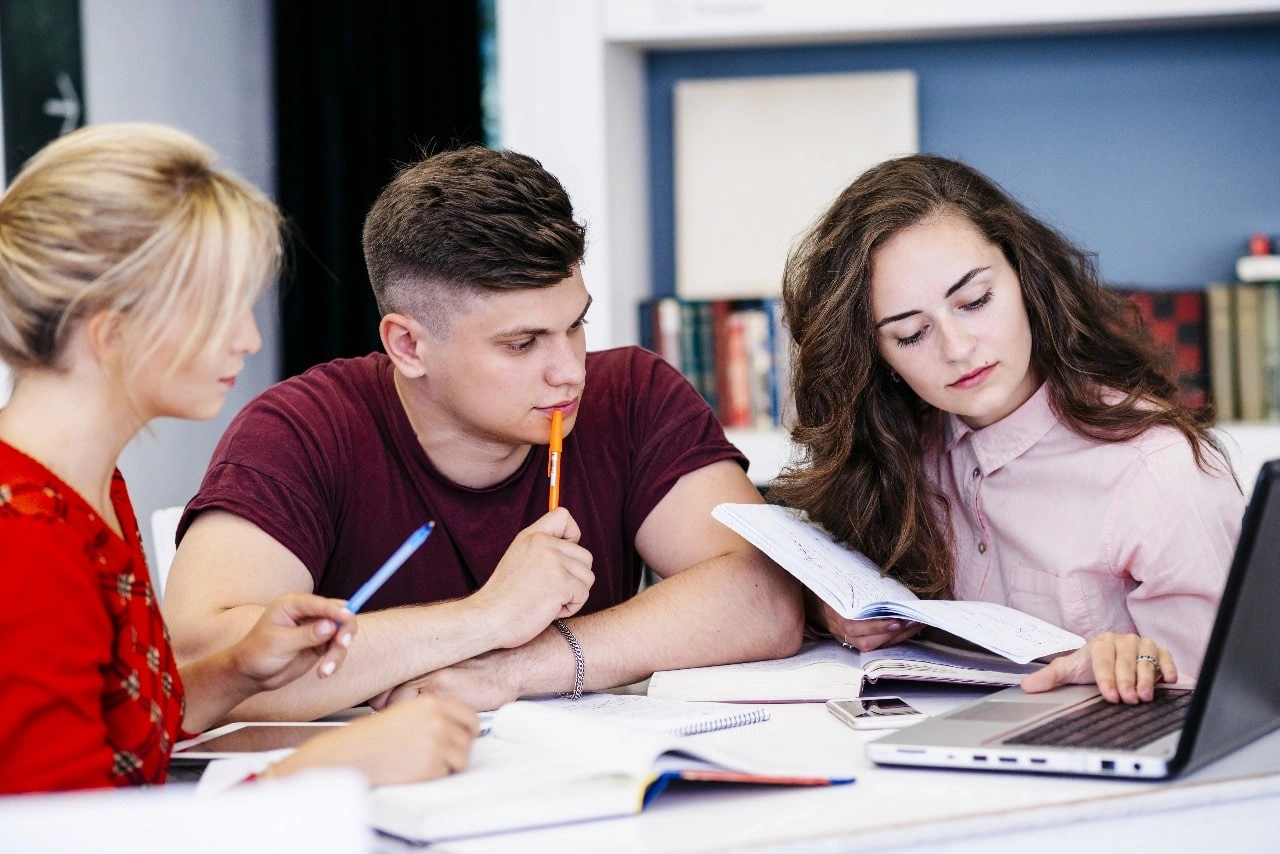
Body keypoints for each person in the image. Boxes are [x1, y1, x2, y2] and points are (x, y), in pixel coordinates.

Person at [162, 146, 804, 720]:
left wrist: (516, 668)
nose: (570, 370)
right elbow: (203, 663)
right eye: (521, 343)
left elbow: (765, 597)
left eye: (576, 325)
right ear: (408, 344)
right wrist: (485, 618)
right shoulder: (302, 429)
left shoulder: (633, 393)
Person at [0, 123, 476, 794]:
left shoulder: (86, 484)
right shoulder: (26, 535)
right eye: (220, 310)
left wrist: (238, 668)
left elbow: (117, 729)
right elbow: (67, 835)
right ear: (112, 331)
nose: (248, 339)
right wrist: (324, 772)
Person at [774, 153, 1243, 705]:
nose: (957, 348)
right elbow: (818, 574)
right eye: (910, 335)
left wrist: (1133, 668)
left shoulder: (1162, 472)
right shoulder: (891, 458)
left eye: (975, 301)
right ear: (876, 358)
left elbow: (1235, 704)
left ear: (1026, 277)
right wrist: (831, 613)